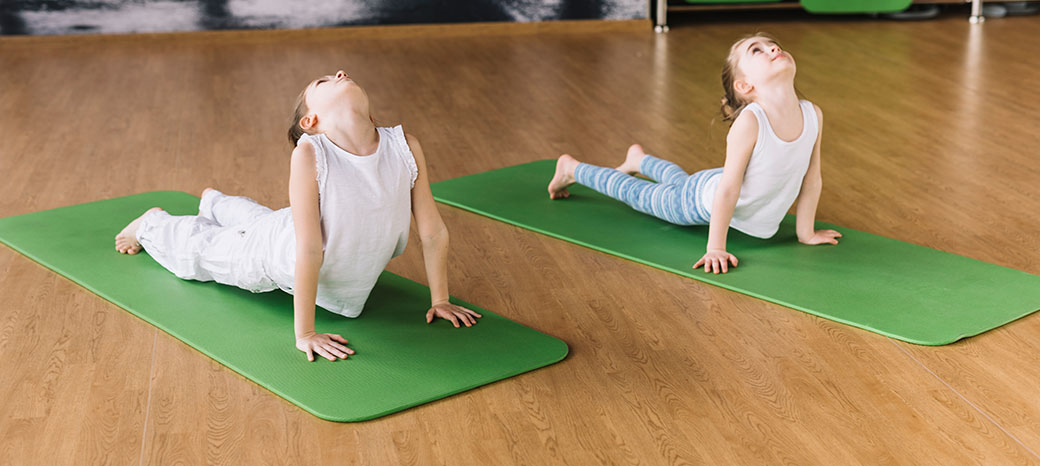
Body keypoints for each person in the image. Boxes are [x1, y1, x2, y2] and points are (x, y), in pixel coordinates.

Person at [114, 70, 481, 362]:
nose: (339, 73)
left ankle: (215, 202)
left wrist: (440, 299)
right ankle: (151, 224)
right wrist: (305, 333)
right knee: (207, 253)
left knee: (265, 222)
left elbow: (432, 231)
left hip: (314, 256)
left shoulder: (404, 147)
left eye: (337, 75)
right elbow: (307, 249)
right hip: (277, 254)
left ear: (371, 115)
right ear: (311, 122)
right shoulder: (310, 154)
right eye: (323, 81)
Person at [547, 33, 841, 274]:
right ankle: (571, 168)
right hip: (697, 201)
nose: (773, 47)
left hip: (710, 182)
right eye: (757, 50)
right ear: (744, 85)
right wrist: (715, 248)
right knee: (636, 193)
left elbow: (811, 178)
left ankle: (639, 160)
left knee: (681, 180)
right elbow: (727, 189)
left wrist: (807, 233)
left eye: (772, 44)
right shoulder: (751, 121)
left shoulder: (812, 113)